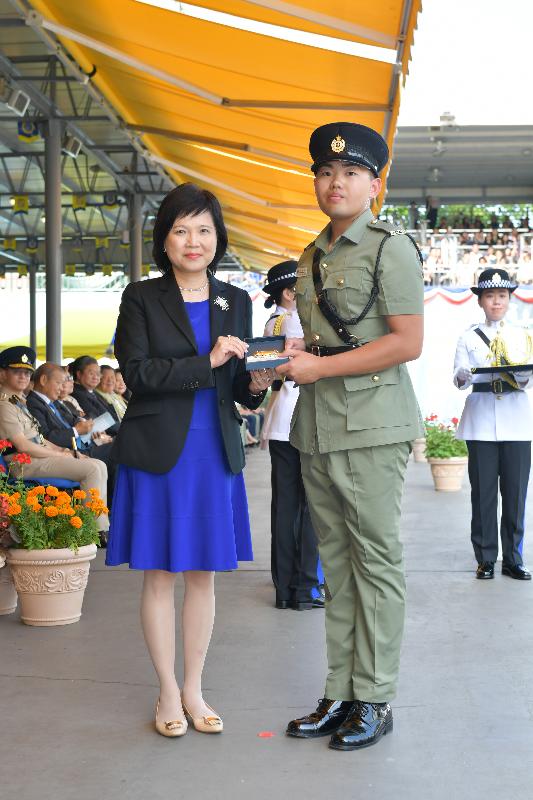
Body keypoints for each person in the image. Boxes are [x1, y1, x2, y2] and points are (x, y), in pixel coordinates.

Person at [105, 183, 274, 738]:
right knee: (159, 575)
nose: (193, 240)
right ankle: (167, 693)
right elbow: (139, 375)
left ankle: (196, 688)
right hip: (159, 451)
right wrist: (208, 360)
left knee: (202, 576)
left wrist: (258, 381)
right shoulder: (141, 297)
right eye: (181, 230)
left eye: (203, 229)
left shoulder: (236, 299)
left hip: (214, 451)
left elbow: (239, 391)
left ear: (218, 236)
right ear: (165, 239)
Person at [276, 122, 424, 751]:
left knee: (376, 565)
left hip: (372, 426)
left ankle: (376, 697)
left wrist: (319, 366)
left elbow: (406, 342)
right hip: (318, 426)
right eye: (325, 173)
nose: (335, 183)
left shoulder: (391, 248)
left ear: (375, 185)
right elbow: (318, 341)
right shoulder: (312, 255)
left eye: (351, 174)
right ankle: (340, 692)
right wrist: (287, 358)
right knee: (336, 569)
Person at [453, 267, 533, 581]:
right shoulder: (468, 336)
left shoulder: (524, 333)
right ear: (480, 301)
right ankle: (485, 558)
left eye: (501, 296)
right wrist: (465, 374)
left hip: (516, 419)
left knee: (515, 493)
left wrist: (522, 375)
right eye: (490, 296)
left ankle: (513, 558)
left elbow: (526, 378)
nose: (496, 302)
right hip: (482, 420)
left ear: (509, 299)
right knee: (483, 493)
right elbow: (459, 378)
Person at [260, 260, 323, 610]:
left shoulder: (273, 322)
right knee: (312, 506)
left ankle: (284, 587)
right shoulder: (300, 322)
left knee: (285, 508)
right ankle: (307, 587)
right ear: (289, 292)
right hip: (306, 417)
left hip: (282, 419)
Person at [0, 346, 109, 534]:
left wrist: (65, 451)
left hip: (36, 457)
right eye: (17, 371)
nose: (24, 376)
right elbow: (23, 445)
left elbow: (39, 438)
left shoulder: (20, 402)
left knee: (98, 464)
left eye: (27, 372)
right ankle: (95, 531)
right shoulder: (4, 405)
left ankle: (98, 526)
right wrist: (60, 454)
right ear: (2, 374)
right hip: (20, 462)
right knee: (92, 468)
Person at [71, 356, 120, 436]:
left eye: (98, 374)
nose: (96, 377)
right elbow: (100, 420)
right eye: (91, 373)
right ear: (79, 374)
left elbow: (111, 415)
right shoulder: (77, 393)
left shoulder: (93, 392)